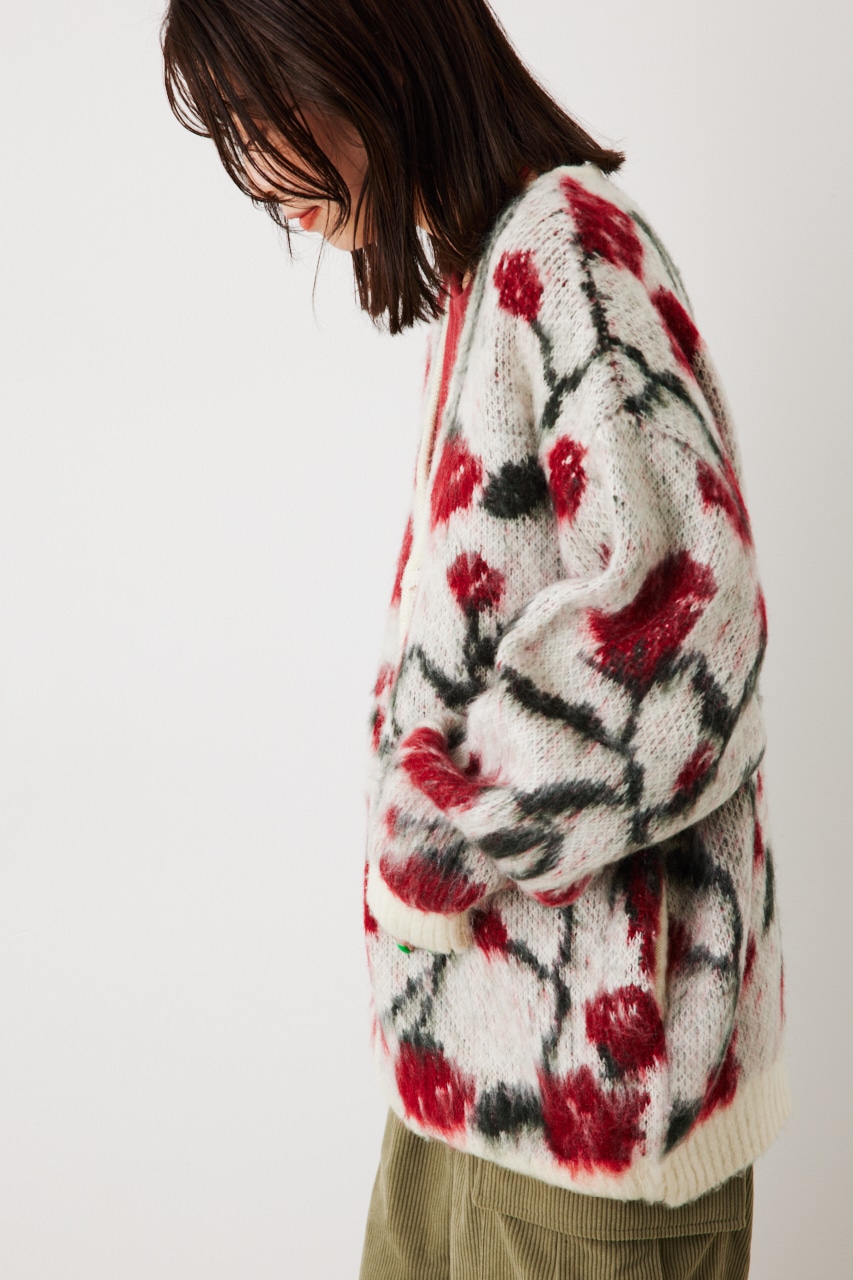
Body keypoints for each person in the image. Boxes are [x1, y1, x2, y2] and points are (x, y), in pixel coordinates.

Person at [161, 2, 792, 1275]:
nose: (254, 168)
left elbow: (686, 631)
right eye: (230, 131)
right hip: (472, 1085)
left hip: (591, 1121)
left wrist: (439, 827)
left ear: (364, 45)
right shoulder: (496, 269)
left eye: (261, 109)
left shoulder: (565, 252)